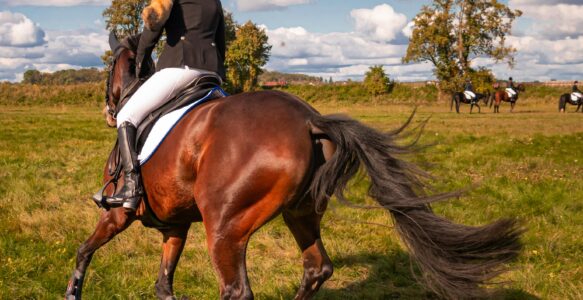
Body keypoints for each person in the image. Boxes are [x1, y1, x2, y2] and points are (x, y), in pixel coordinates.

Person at [105, 0, 226, 212]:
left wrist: (141, 59)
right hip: (212, 72)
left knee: (126, 115)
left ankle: (131, 187)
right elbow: (221, 39)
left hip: (180, 67)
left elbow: (153, 26)